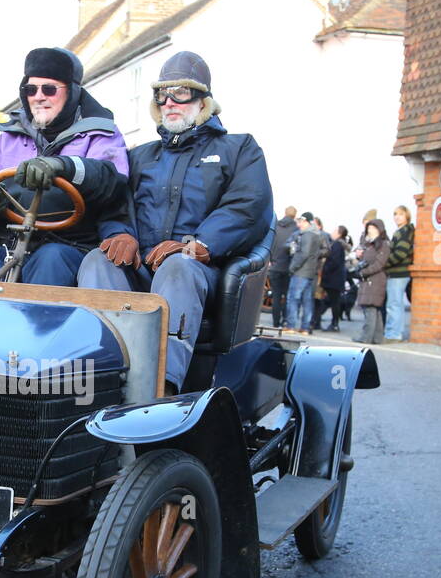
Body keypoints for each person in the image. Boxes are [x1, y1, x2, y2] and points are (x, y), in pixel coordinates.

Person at [78, 51, 273, 394]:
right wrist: (120, 233)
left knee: (178, 266)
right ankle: (100, 375)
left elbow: (248, 206)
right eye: (161, 95)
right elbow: (115, 206)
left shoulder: (239, 148)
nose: (169, 102)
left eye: (180, 93)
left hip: (202, 271)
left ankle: (159, 388)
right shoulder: (140, 155)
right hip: (142, 266)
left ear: (203, 101)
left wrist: (199, 244)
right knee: (98, 260)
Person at [0, 47, 129, 285]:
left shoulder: (100, 134)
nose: (38, 97)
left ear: (72, 91)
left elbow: (112, 181)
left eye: (49, 89)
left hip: (70, 244)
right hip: (9, 242)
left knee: (51, 258)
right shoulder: (6, 139)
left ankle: (38, 312)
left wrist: (64, 166)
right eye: (31, 89)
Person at [354, 218, 389, 344]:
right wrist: (360, 257)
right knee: (374, 309)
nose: (370, 230)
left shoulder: (383, 244)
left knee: (370, 308)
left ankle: (366, 337)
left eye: (373, 228)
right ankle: (377, 338)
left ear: (380, 230)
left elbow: (379, 263)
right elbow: (367, 261)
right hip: (369, 279)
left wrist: (364, 272)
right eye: (369, 228)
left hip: (375, 279)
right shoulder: (370, 245)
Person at [287, 211, 323, 333]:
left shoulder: (307, 235)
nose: (299, 224)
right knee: (307, 301)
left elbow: (304, 253)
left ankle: (291, 325)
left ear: (308, 222)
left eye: (302, 222)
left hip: (300, 272)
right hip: (310, 272)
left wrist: (293, 267)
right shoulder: (317, 234)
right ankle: (305, 327)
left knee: (293, 299)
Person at [385, 204, 413, 342]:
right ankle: (395, 332)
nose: (397, 217)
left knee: (394, 305)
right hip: (398, 273)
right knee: (396, 304)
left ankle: (394, 334)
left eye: (400, 214)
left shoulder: (404, 232)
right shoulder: (401, 231)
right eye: (395, 214)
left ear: (407, 216)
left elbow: (400, 253)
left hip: (399, 273)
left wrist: (384, 263)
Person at [315, 226, 350, 332]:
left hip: (333, 278)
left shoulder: (337, 245)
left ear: (339, 233)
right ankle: (322, 321)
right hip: (335, 278)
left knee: (333, 301)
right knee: (332, 301)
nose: (332, 232)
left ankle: (333, 324)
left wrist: (325, 271)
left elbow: (334, 261)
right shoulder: (338, 244)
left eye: (335, 230)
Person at [267, 206, 297, 327]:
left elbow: (270, 243)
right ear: (295, 215)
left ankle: (275, 322)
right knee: (287, 296)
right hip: (288, 267)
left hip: (274, 265)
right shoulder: (296, 229)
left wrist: (270, 259)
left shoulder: (276, 226)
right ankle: (285, 320)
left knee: (276, 295)